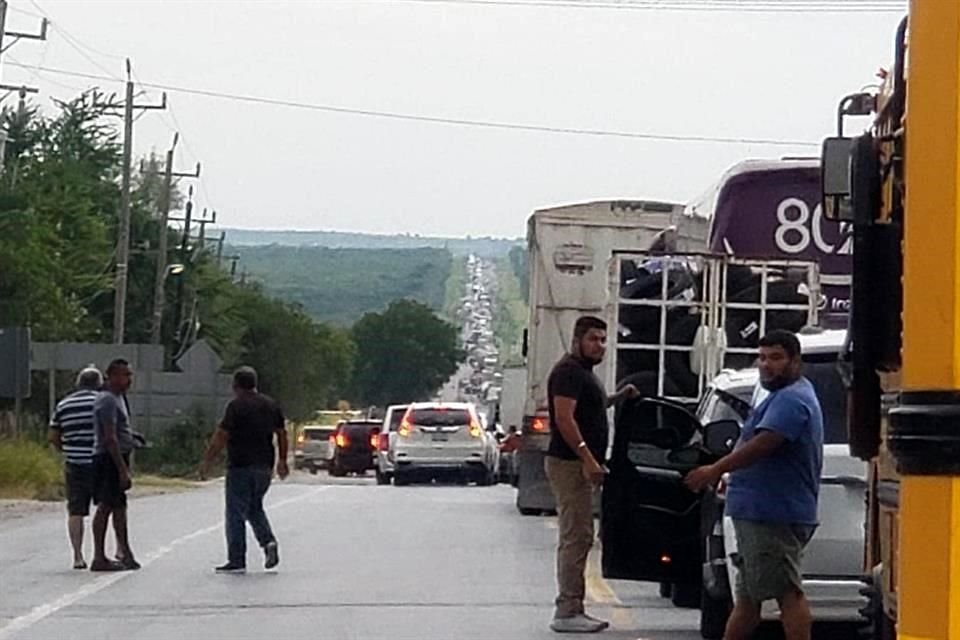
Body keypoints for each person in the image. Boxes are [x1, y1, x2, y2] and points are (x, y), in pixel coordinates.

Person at [685, 329, 824, 640]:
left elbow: (764, 443)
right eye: (761, 357)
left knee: (788, 592)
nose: (766, 364)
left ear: (795, 361)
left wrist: (715, 469)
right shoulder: (780, 397)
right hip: (758, 513)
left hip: (773, 514)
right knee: (748, 597)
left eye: (775, 358)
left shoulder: (792, 399)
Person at [545, 316, 639, 634]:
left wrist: (618, 397)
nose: (600, 345)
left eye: (603, 340)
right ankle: (567, 609)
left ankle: (573, 606)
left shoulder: (584, 374)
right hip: (569, 464)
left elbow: (591, 408)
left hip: (580, 463)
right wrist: (586, 457)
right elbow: (564, 418)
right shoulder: (569, 372)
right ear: (577, 340)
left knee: (583, 535)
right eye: (593, 339)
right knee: (576, 536)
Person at [200, 366, 289, 574]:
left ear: (236, 386)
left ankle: (237, 558)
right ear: (255, 384)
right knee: (254, 507)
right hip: (264, 467)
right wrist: (283, 460)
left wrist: (207, 461)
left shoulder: (236, 406)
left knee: (235, 513)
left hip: (240, 466)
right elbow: (282, 433)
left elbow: (221, 436)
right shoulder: (271, 405)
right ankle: (268, 542)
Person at [48, 366, 103, 570]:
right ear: (99, 383)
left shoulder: (64, 404)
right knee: (105, 508)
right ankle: (101, 553)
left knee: (76, 510)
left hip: (75, 463)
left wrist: (68, 449)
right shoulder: (102, 402)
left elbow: (53, 436)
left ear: (78, 383)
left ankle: (78, 556)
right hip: (99, 462)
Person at [91, 358, 140, 572]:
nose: (128, 379)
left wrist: (132, 437)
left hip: (119, 455)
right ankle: (99, 556)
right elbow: (109, 437)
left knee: (119, 506)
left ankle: (124, 551)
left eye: (129, 375)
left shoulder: (120, 398)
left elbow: (119, 430)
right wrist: (122, 470)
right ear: (110, 376)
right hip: (109, 459)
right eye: (123, 375)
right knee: (106, 506)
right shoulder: (108, 400)